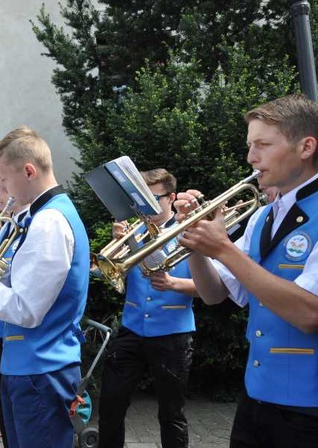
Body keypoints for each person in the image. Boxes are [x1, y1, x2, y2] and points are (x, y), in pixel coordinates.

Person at [174, 94, 318, 447]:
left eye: (263, 145)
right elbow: (214, 293)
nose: (251, 157)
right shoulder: (264, 215)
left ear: (306, 146)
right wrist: (194, 243)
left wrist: (222, 247)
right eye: (250, 145)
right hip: (255, 395)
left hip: (313, 406)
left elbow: (312, 313)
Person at [0, 127, 90, 448]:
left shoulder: (48, 221)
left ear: (29, 171)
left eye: (4, 181)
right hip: (32, 367)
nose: (1, 190)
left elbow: (25, 309)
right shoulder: (44, 216)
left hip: (41, 370)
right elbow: (24, 283)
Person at [98, 168, 197, 448]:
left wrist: (174, 283)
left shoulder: (190, 230)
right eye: (141, 201)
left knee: (171, 413)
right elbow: (113, 272)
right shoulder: (134, 230)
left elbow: (211, 288)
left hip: (173, 333)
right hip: (131, 329)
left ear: (172, 197)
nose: (146, 208)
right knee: (110, 404)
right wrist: (118, 242)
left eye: (154, 199)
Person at [0, 165, 29, 448]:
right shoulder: (2, 230)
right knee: (5, 413)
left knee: (21, 419)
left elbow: (13, 280)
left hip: (17, 331)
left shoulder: (27, 227)